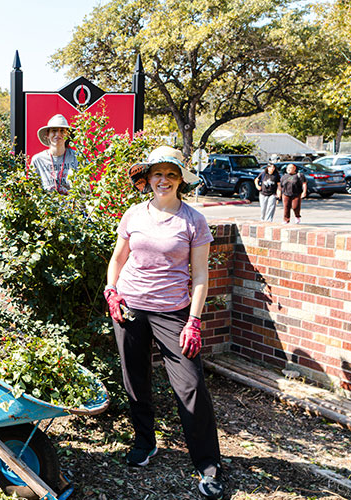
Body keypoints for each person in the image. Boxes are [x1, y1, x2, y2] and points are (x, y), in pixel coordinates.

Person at [107, 146, 224, 499]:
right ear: (149, 178)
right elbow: (117, 258)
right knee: (134, 378)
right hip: (130, 308)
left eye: (171, 175)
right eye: (158, 174)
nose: (163, 180)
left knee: (190, 387)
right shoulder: (133, 214)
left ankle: (208, 465)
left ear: (180, 181)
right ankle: (145, 442)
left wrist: (194, 321)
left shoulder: (193, 220)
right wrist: (112, 291)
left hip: (173, 311)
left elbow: (200, 275)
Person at [30, 113, 79, 194]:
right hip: (46, 205)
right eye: (54, 130)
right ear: (47, 135)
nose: (58, 134)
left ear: (68, 135)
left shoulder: (77, 157)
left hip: (73, 205)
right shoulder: (38, 160)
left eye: (62, 131)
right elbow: (33, 191)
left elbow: (85, 190)